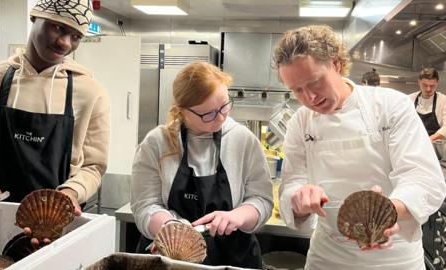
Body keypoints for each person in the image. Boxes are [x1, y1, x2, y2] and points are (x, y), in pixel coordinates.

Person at [273, 25, 446, 269]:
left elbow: (423, 179)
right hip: (328, 257)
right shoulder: (301, 122)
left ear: (336, 64)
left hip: (394, 257)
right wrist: (298, 198)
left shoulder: (390, 106)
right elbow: (291, 185)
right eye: (297, 90)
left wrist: (385, 214)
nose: (309, 97)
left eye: (315, 82)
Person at [0, 0, 110, 218]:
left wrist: (71, 192)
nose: (65, 43)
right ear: (34, 16)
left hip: (57, 221)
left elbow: (93, 166)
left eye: (76, 36)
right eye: (58, 27)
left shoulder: (91, 92)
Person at [130, 61, 273, 268]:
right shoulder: (156, 142)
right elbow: (145, 204)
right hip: (171, 260)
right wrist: (170, 228)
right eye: (208, 114)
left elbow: (262, 199)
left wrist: (237, 216)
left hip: (233, 257)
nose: (221, 117)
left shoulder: (243, 140)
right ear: (183, 111)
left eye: (224, 105)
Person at [409, 68, 446, 141]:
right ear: (419, 82)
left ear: (437, 83)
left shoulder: (443, 100)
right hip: (413, 143)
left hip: (435, 147)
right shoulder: (409, 99)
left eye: (432, 86)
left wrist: (428, 140)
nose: (428, 89)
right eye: (425, 85)